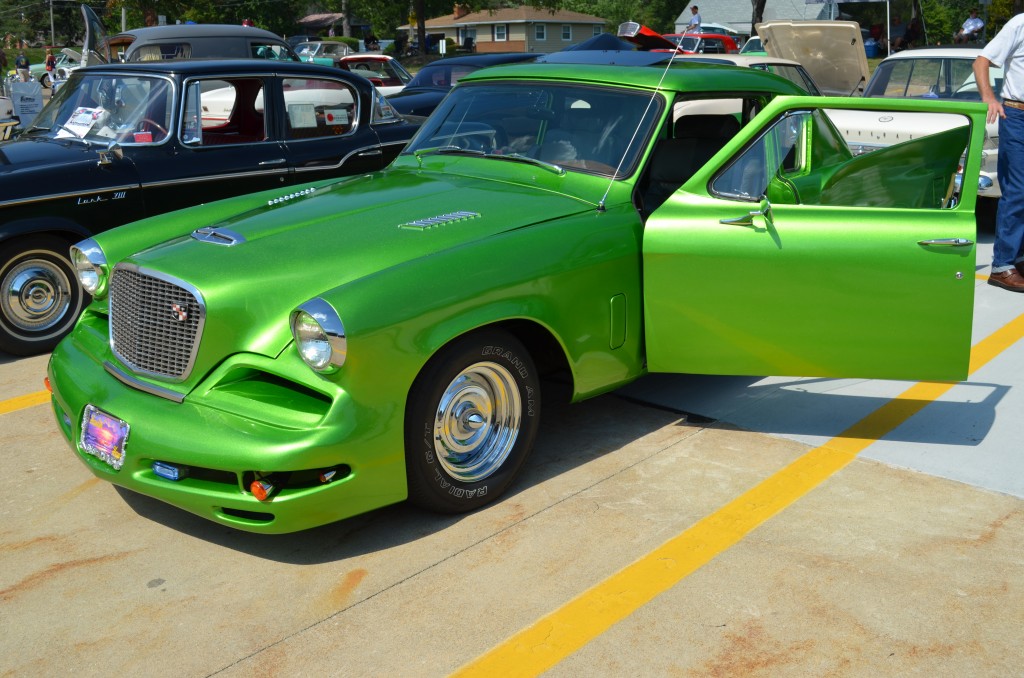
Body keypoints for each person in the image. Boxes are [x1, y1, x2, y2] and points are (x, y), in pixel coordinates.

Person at [974, 13, 1024, 291]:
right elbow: (982, 61)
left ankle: (1018, 258)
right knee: (1018, 190)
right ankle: (1002, 266)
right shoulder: (1020, 24)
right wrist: (988, 97)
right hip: (1018, 116)